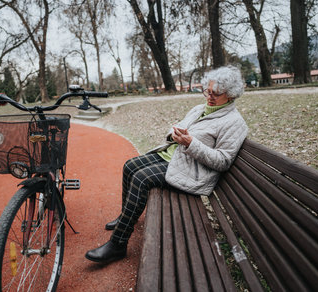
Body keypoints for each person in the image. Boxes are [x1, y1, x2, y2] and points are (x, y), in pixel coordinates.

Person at [85, 65, 249, 263]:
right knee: (130, 165)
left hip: (192, 171)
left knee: (141, 178)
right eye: (208, 90)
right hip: (173, 156)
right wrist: (174, 134)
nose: (209, 96)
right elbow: (180, 128)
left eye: (216, 93)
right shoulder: (200, 109)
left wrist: (191, 143)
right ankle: (126, 217)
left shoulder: (234, 122)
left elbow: (223, 161)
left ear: (231, 95)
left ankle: (118, 245)